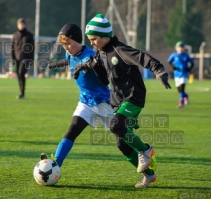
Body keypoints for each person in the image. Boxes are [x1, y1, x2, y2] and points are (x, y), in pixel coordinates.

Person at [78, 13, 171, 188]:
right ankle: (149, 175)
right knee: (122, 144)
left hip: (133, 97)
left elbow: (142, 57)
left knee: (116, 126)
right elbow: (106, 80)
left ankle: (146, 149)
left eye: (94, 39)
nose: (92, 43)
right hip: (117, 102)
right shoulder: (101, 53)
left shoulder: (120, 50)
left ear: (105, 36)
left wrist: (158, 70)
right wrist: (91, 67)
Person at [40, 23, 113, 171]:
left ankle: (146, 158)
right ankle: (55, 164)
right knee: (72, 130)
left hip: (104, 104)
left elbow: (105, 80)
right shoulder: (70, 54)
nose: (66, 48)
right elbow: (69, 61)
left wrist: (89, 66)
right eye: (64, 45)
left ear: (78, 41)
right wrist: (54, 64)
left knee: (123, 138)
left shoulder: (91, 56)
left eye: (68, 44)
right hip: (85, 103)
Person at [11, 18, 34, 99]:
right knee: (19, 75)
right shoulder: (15, 35)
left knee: (21, 73)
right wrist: (12, 58)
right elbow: (12, 48)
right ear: (18, 25)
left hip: (25, 59)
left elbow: (32, 48)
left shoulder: (29, 35)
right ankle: (21, 92)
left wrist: (31, 59)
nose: (21, 26)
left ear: (25, 25)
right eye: (19, 24)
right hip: (17, 58)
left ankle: (22, 93)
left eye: (22, 24)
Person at [168, 41, 194, 108]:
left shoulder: (186, 55)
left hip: (184, 74)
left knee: (182, 89)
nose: (180, 49)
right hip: (176, 75)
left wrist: (189, 69)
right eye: (179, 47)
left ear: (184, 48)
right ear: (176, 48)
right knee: (179, 90)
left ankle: (181, 103)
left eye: (182, 47)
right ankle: (186, 96)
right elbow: (169, 61)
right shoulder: (174, 55)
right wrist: (173, 67)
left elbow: (192, 63)